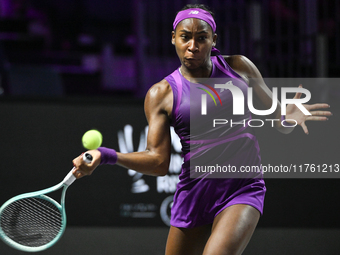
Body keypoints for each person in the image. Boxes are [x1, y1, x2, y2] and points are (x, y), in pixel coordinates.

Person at [73, 4, 332, 255]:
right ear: (173, 38)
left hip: (242, 187)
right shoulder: (161, 94)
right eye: (185, 37)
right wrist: (106, 155)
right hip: (194, 193)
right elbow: (159, 162)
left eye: (202, 38)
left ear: (214, 40)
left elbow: (279, 122)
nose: (193, 47)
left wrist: (288, 118)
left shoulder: (239, 68)